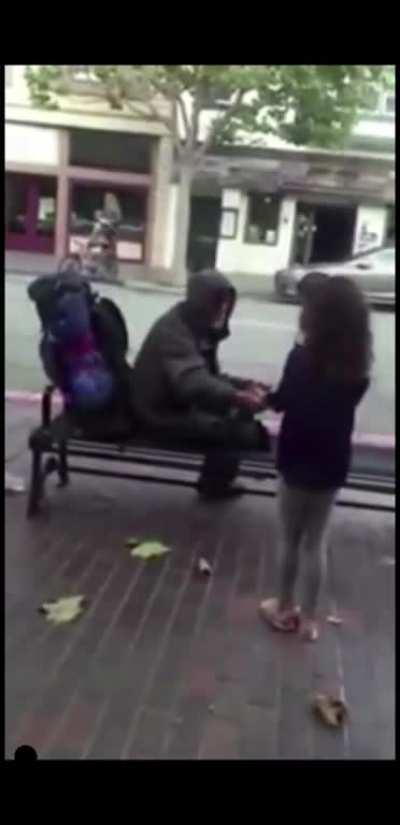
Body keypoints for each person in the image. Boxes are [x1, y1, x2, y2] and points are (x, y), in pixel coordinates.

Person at [259, 276, 372, 641]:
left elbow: (285, 400)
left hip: (296, 457)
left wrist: (263, 397)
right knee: (316, 541)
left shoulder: (300, 357)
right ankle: (309, 620)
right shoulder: (358, 372)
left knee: (290, 538)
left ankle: (283, 607)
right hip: (332, 460)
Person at [132, 269, 270, 499]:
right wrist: (236, 396)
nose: (223, 310)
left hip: (175, 402)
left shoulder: (195, 325)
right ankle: (214, 487)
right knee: (239, 431)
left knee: (238, 416)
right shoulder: (174, 330)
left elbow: (207, 376)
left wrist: (244, 385)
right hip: (159, 413)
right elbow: (190, 381)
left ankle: (215, 481)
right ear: (203, 302)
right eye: (218, 303)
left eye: (226, 304)